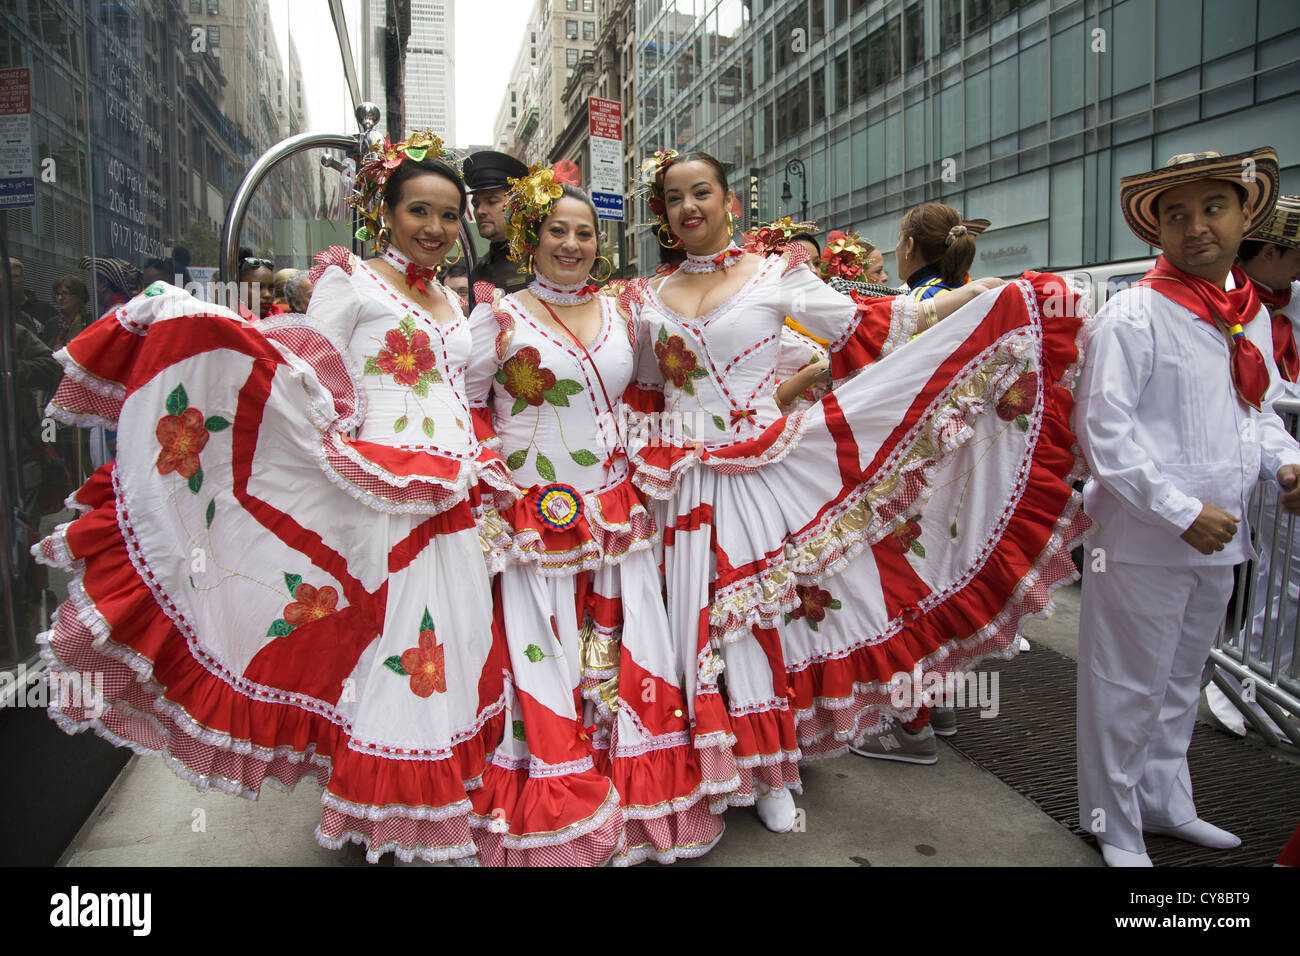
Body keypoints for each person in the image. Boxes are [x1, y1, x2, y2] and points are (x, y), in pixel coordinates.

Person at [36, 129, 517, 864]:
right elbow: (297, 372)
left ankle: (437, 797)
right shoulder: (348, 279)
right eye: (420, 211)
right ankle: (396, 811)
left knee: (451, 643)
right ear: (383, 211)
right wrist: (201, 320)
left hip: (455, 492)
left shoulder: (454, 302)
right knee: (401, 643)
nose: (437, 229)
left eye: (450, 216)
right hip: (384, 493)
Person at [623, 150, 1090, 832]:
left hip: (759, 471)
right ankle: (697, 763)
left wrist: (976, 298)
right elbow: (633, 386)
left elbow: (878, 325)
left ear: (731, 203)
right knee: (682, 624)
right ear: (663, 213)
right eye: (673, 198)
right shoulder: (644, 299)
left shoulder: (777, 276)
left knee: (756, 624)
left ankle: (769, 773)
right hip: (676, 481)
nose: (688, 207)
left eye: (701, 192)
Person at [463, 164, 731, 864]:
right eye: (560, 231)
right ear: (533, 236)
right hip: (532, 524)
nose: (574, 244)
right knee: (541, 655)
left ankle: (622, 786)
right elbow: (465, 407)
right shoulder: (497, 315)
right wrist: (496, 478)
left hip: (615, 517)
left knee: (608, 652)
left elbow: (648, 398)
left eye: (585, 233)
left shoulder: (627, 313)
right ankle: (556, 793)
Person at [1074, 148, 1300, 867]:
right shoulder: (1134, 314)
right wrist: (1180, 511)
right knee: (1125, 683)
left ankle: (1165, 803)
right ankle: (1112, 820)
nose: (1196, 226)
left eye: (1213, 208)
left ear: (1244, 217)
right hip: (1144, 539)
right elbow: (1103, 435)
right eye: (1178, 215)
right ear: (1158, 231)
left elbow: (1256, 411)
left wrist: (1285, 460)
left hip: (1221, 538)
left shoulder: (1246, 314)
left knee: (1179, 680)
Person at [1201, 194, 1300, 738]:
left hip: (1279, 457)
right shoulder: (1232, 307)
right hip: (1254, 468)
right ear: (1271, 250)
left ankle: (1256, 682)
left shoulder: (1273, 307)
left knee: (1282, 581)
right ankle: (1240, 681)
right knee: (1287, 582)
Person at [462, 149, 531, 302]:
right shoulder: (479, 270)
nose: (480, 211)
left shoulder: (540, 260)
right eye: (476, 203)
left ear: (517, 203)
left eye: (492, 202)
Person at [894, 205, 990, 298]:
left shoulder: (917, 302)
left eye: (899, 239)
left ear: (909, 246)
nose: (897, 247)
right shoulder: (968, 292)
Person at [7, 257, 59, 338]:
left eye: (14, 276)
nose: (10, 280)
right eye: (6, 276)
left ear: (23, 278)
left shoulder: (46, 310)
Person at [50, 275, 91, 351]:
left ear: (79, 296)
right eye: (57, 294)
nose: (60, 298)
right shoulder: (52, 323)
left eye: (65, 293)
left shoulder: (91, 321)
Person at [236, 250, 274, 320]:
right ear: (238, 289)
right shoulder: (228, 323)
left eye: (271, 288)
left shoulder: (283, 322)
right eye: (257, 287)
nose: (267, 295)